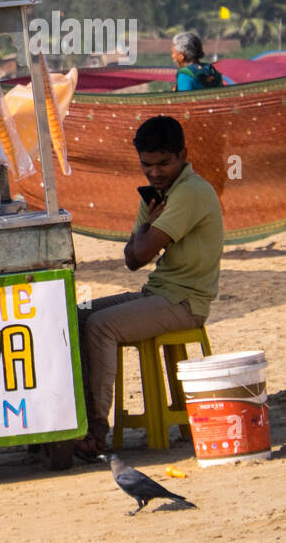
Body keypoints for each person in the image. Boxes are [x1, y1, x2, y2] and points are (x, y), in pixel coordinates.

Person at [74, 116, 224, 459]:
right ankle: (77, 420)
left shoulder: (190, 192)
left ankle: (96, 429)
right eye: (147, 165)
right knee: (77, 316)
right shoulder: (157, 195)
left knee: (100, 325)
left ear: (183, 155)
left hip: (186, 301)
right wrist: (146, 230)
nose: (154, 172)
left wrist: (146, 231)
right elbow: (131, 258)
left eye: (163, 163)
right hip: (157, 294)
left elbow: (139, 253)